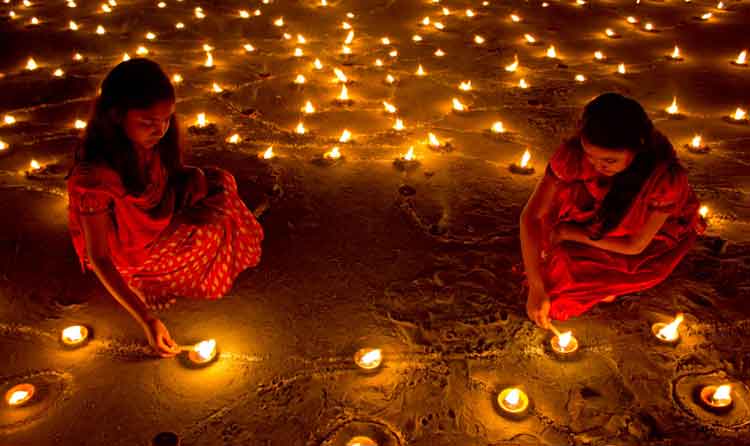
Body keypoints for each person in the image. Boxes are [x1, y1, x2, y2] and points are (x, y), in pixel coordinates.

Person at [66, 58, 264, 356]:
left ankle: (161, 263)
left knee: (219, 184)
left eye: (166, 119)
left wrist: (188, 195)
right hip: (129, 254)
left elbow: (168, 177)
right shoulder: (93, 179)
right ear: (117, 116)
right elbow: (100, 257)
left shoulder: (148, 142)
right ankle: (144, 281)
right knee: (211, 234)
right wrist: (148, 319)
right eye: (148, 122)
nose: (160, 130)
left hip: (154, 222)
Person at [520, 92, 705, 328]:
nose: (597, 166)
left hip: (635, 239)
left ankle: (608, 282)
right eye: (591, 156)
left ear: (636, 149)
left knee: (559, 299)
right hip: (592, 219)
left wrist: (568, 233)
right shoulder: (574, 156)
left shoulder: (662, 180)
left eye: (609, 161)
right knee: (545, 281)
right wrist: (536, 288)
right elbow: (531, 217)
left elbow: (635, 246)